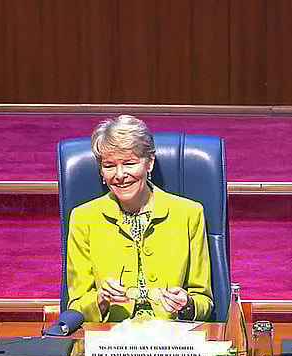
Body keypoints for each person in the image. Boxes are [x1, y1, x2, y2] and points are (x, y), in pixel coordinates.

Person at [66, 115, 213, 322]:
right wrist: (101, 299)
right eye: (109, 166)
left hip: (172, 339)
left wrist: (187, 303)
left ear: (149, 162)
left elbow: (204, 303)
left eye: (129, 163)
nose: (119, 175)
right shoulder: (83, 218)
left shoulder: (189, 213)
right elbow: (76, 306)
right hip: (111, 338)